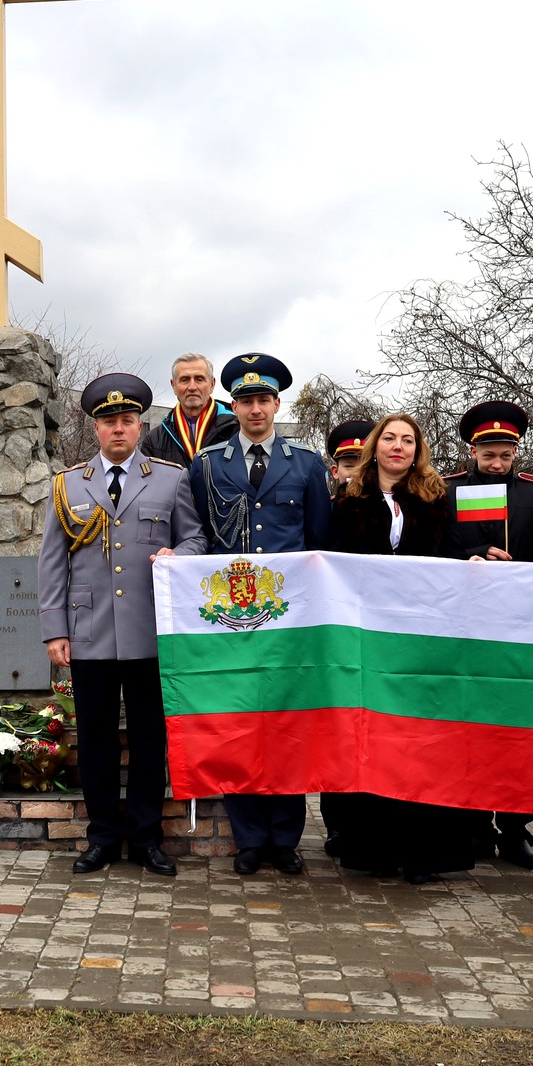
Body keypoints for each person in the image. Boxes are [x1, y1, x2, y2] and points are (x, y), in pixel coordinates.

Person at [39, 374, 206, 876]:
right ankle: (103, 838)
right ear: (96, 428)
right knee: (96, 741)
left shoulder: (171, 479)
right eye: (109, 421)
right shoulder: (68, 484)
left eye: (127, 420)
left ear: (140, 427)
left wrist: (178, 554)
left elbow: (195, 539)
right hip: (88, 633)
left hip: (151, 630)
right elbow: (52, 562)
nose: (118, 428)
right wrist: (54, 629)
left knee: (149, 739)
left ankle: (148, 840)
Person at [319, 412, 479, 883]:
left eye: (408, 440)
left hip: (422, 638)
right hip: (367, 638)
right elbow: (331, 562)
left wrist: (472, 561)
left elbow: (452, 553)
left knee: (421, 742)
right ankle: (375, 850)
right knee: (373, 739)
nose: (398, 446)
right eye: (389, 438)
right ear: (375, 447)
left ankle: (425, 851)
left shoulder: (435, 498)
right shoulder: (348, 500)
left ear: (417, 450)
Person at [187, 353, 331, 875]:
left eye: (263, 400)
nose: (255, 409)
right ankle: (249, 839)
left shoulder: (307, 464)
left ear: (276, 404)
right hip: (232, 617)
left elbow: (319, 541)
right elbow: (200, 536)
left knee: (289, 725)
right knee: (240, 724)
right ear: (234, 405)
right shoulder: (208, 464)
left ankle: (285, 839)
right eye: (245, 401)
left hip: (290, 619)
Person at [444, 400, 533, 869]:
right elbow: (436, 549)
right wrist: (473, 552)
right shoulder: (448, 491)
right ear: (472, 451)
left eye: (505, 455)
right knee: (467, 727)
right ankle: (472, 826)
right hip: (465, 624)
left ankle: (515, 829)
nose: (497, 463)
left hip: (521, 625)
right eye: (488, 454)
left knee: (517, 731)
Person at [139, 352, 238, 466]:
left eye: (199, 379)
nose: (192, 387)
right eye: (184, 379)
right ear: (173, 385)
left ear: (212, 384)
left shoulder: (237, 428)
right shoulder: (154, 440)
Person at [325, 419, 375, 496]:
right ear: (335, 472)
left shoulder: (389, 503)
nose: (357, 473)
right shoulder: (326, 504)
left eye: (365, 467)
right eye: (349, 467)